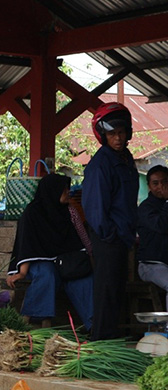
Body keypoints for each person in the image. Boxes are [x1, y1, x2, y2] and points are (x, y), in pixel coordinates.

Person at [6, 174, 94, 330]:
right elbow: (26, 244)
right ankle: (34, 322)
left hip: (66, 260)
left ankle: (94, 325)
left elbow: (82, 237)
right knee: (47, 274)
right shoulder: (32, 213)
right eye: (64, 189)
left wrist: (91, 258)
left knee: (82, 279)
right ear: (52, 191)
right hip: (39, 261)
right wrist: (22, 273)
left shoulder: (70, 211)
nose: (69, 192)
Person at [82, 102, 139, 340]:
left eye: (121, 133)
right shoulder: (100, 164)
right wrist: (111, 236)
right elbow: (95, 209)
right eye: (112, 134)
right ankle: (101, 344)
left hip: (122, 238)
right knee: (106, 293)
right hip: (109, 239)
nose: (117, 138)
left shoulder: (126, 159)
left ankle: (112, 339)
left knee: (116, 292)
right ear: (103, 135)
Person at [137, 165, 168, 310]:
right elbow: (161, 226)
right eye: (155, 183)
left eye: (164, 182)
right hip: (151, 265)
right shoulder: (145, 208)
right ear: (149, 186)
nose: (160, 186)